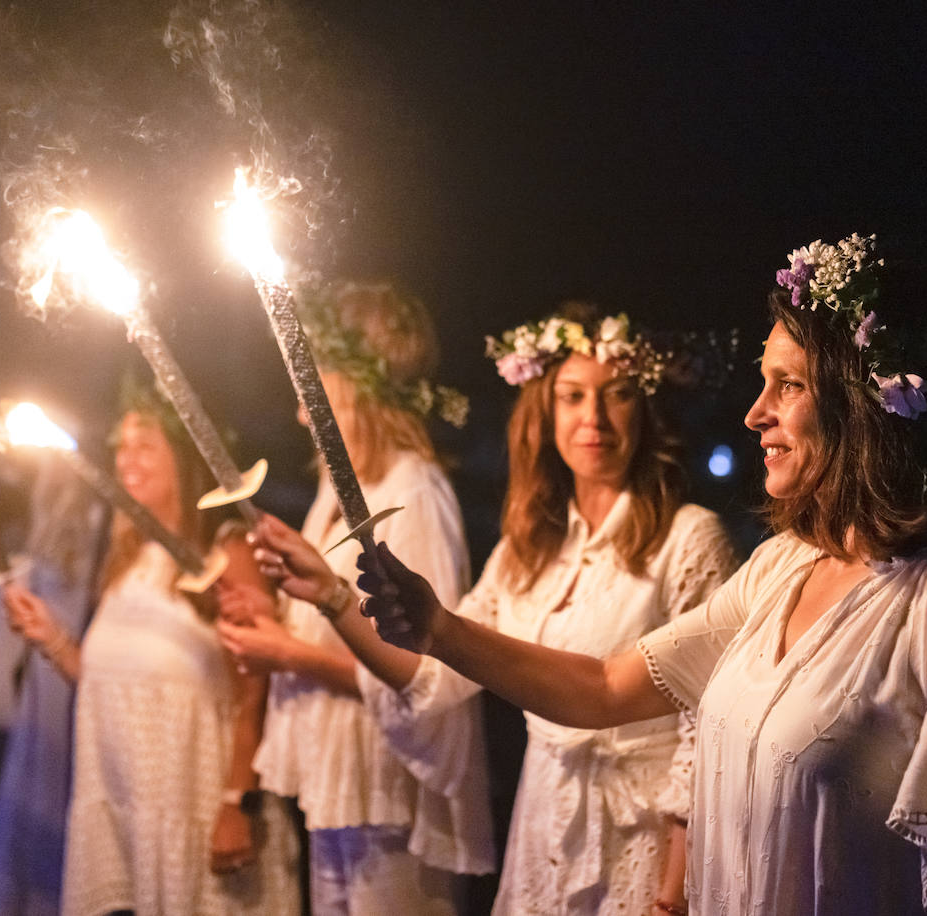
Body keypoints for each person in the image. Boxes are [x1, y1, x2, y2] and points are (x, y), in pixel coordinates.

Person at [349, 236, 927, 915]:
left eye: (787, 386)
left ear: (863, 404)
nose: (755, 414)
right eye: (763, 385)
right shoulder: (779, 569)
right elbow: (602, 687)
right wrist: (439, 628)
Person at [249, 301, 741, 915]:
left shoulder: (690, 539)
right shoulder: (525, 551)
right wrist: (330, 594)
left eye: (615, 395)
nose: (594, 419)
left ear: (644, 410)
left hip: (638, 839)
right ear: (545, 411)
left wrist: (674, 895)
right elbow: (432, 675)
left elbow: (709, 736)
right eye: (572, 397)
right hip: (542, 824)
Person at [216, 281, 494, 915]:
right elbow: (327, 619)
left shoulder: (411, 492)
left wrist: (288, 652)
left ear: (355, 387)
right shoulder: (335, 492)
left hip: (387, 782)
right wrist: (269, 615)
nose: (299, 414)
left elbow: (428, 675)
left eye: (313, 388)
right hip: (339, 773)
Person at [3, 401, 301, 916]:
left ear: (182, 460)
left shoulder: (226, 552)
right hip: (128, 806)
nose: (125, 459)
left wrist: (237, 804)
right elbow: (110, 689)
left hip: (200, 805)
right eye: (121, 447)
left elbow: (255, 693)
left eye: (144, 446)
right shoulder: (126, 558)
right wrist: (51, 638)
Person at [0, 453, 108, 916]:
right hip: (42, 671)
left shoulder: (98, 522)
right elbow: (22, 584)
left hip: (73, 668)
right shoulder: (48, 518)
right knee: (32, 776)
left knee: (61, 777)